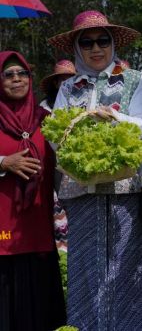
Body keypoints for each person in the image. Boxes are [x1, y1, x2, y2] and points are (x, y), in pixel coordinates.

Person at [47, 10, 142, 330]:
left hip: (126, 190)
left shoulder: (135, 80)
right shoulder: (68, 88)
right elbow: (56, 134)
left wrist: (115, 119)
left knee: (128, 262)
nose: (96, 49)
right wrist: (80, 151)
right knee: (86, 265)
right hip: (81, 189)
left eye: (102, 41)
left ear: (113, 44)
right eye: (88, 43)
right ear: (78, 49)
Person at [0, 51, 66, 330]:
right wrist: (4, 162)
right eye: (8, 74)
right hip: (3, 224)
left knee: (38, 295)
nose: (17, 79)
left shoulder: (46, 118)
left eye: (22, 73)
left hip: (37, 222)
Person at [39, 59, 77, 252]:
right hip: (54, 165)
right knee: (58, 207)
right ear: (55, 83)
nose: (66, 82)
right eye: (63, 79)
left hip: (76, 165)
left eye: (70, 78)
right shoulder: (45, 108)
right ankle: (62, 249)